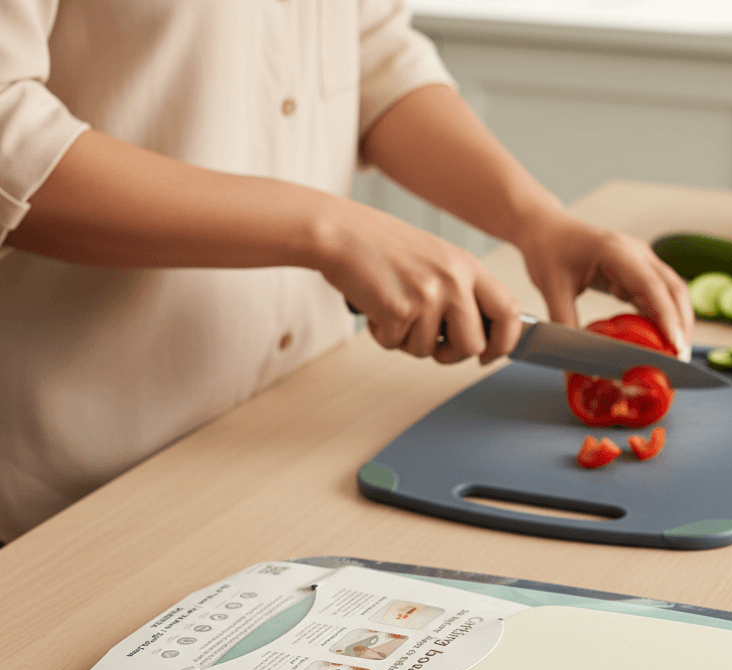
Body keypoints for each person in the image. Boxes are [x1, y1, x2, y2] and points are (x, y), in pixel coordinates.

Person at [0, 0, 693, 543]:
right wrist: (325, 229)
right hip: (83, 479)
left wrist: (536, 220)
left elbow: (371, 54)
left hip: (300, 431)